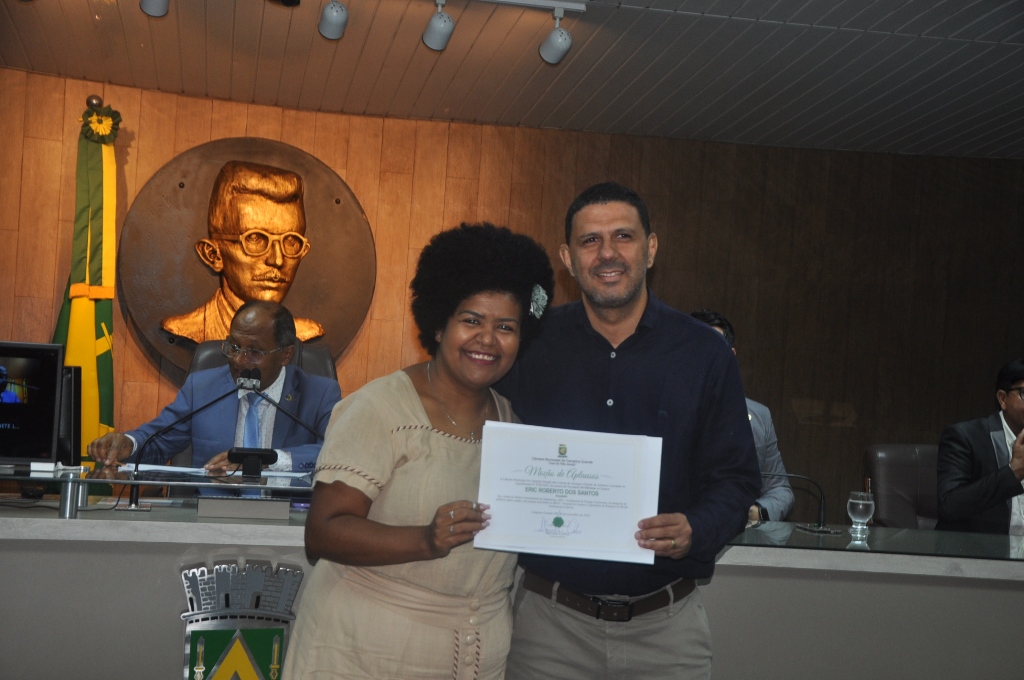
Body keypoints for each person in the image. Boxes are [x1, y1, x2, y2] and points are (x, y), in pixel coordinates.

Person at [496, 182, 760, 679]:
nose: (607, 253)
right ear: (567, 258)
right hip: (548, 631)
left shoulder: (704, 354)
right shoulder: (530, 346)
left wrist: (696, 529)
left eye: (623, 236)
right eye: (590, 240)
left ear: (651, 248)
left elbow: (737, 477)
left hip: (667, 632)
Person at [283, 223, 555, 679]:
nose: (488, 340)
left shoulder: (515, 426)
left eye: (506, 327)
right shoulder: (381, 408)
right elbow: (323, 532)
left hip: (477, 656)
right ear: (439, 324)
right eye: (472, 321)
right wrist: (425, 539)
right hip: (360, 652)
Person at [89, 301, 340, 472]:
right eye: (234, 347)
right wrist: (129, 443)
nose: (239, 360)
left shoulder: (318, 394)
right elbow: (158, 440)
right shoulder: (203, 388)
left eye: (254, 352)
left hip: (287, 516)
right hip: (210, 514)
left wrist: (265, 461)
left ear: (286, 354)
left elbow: (336, 452)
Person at [162, 161, 324, 343]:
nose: (277, 260)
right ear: (213, 255)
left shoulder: (304, 333)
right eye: (255, 239)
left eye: (291, 241)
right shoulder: (187, 329)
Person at [690, 309, 794, 522]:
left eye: (714, 349)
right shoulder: (657, 410)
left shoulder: (759, 416)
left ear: (731, 356)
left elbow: (780, 490)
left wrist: (754, 511)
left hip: (739, 534)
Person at [936, 358, 1024, 535]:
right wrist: (1013, 473)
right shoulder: (965, 437)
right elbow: (949, 505)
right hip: (978, 551)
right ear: (1002, 399)